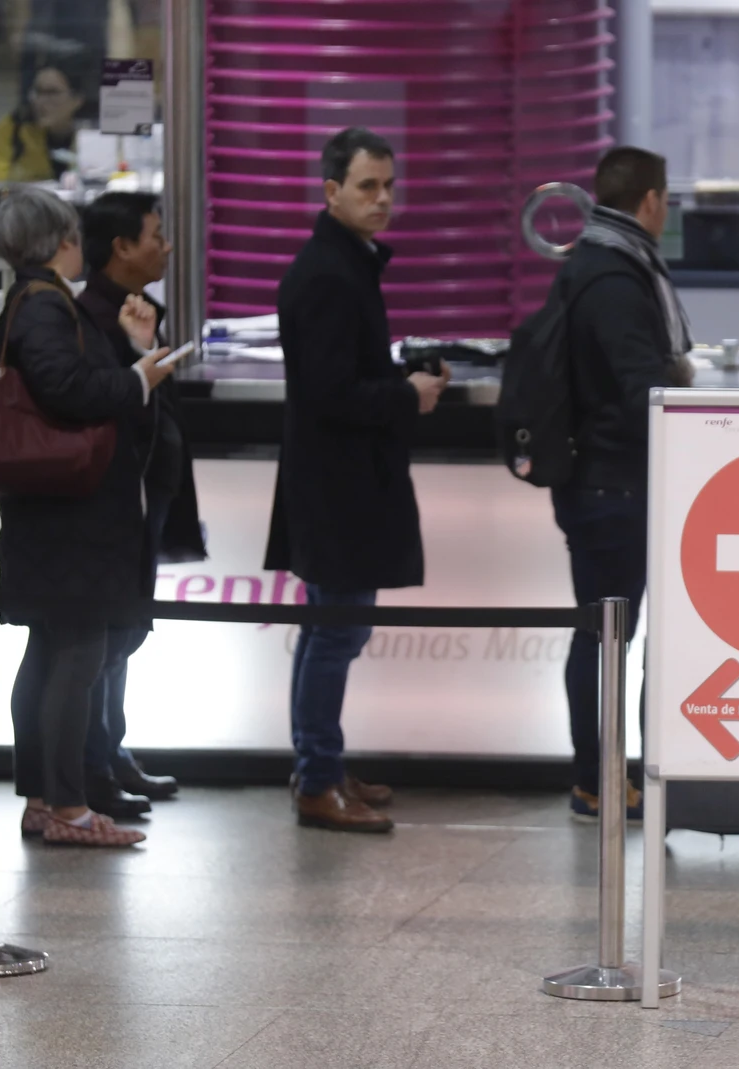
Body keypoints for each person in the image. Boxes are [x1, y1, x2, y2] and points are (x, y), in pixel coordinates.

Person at [264, 127, 449, 834]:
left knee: (332, 631)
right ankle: (316, 778)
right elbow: (330, 392)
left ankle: (322, 764)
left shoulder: (347, 266)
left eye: (390, 186)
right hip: (337, 489)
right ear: (331, 190)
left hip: (340, 484)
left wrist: (401, 381)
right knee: (335, 633)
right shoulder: (328, 275)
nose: (383, 200)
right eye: (368, 186)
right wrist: (409, 396)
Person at [0, 186, 176, 847]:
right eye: (71, 235)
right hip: (65, 518)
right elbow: (65, 388)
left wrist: (131, 355)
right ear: (55, 240)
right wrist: (137, 378)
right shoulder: (42, 306)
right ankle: (65, 803)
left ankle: (46, 796)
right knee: (76, 652)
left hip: (61, 515)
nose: (79, 246)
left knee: (55, 651)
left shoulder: (42, 302)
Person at [553, 146, 694, 821]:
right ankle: (599, 779)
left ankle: (606, 776)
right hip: (615, 485)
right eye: (665, 198)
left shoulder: (593, 260)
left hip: (600, 480)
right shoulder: (615, 275)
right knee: (609, 636)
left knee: (606, 634)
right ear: (650, 200)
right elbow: (641, 388)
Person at [73, 191, 205, 818]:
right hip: (112, 501)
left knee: (125, 634)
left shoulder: (138, 310)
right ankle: (93, 764)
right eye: (156, 234)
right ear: (121, 247)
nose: (166, 246)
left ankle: (112, 750)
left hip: (146, 494)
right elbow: (114, 403)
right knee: (105, 635)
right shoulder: (88, 319)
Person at [0, 61, 87, 183]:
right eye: (38, 92)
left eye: (52, 92)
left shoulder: (91, 136)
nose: (41, 101)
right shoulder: (15, 128)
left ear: (77, 99)